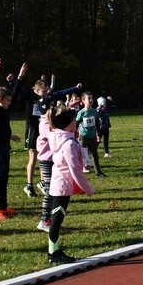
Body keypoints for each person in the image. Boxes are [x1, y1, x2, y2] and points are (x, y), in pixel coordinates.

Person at [45, 104, 95, 264]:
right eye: (73, 120)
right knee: (57, 218)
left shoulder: (62, 139)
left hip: (59, 184)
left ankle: (54, 248)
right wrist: (88, 189)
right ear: (67, 124)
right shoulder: (68, 144)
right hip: (62, 186)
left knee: (57, 217)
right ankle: (53, 252)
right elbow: (75, 169)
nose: (76, 122)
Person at [0, 58, 27, 220]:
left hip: (4, 147)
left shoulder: (5, 110)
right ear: (0, 100)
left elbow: (15, 95)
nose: (10, 103)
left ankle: (3, 206)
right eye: (7, 100)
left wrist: (20, 77)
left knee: (4, 178)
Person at [76, 91, 105, 177]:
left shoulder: (94, 112)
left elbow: (97, 124)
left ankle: (98, 172)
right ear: (83, 101)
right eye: (89, 98)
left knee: (94, 154)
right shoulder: (81, 113)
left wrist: (98, 134)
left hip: (92, 136)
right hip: (83, 136)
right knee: (83, 153)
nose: (91, 100)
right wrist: (76, 135)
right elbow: (76, 124)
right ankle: (82, 169)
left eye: (92, 98)